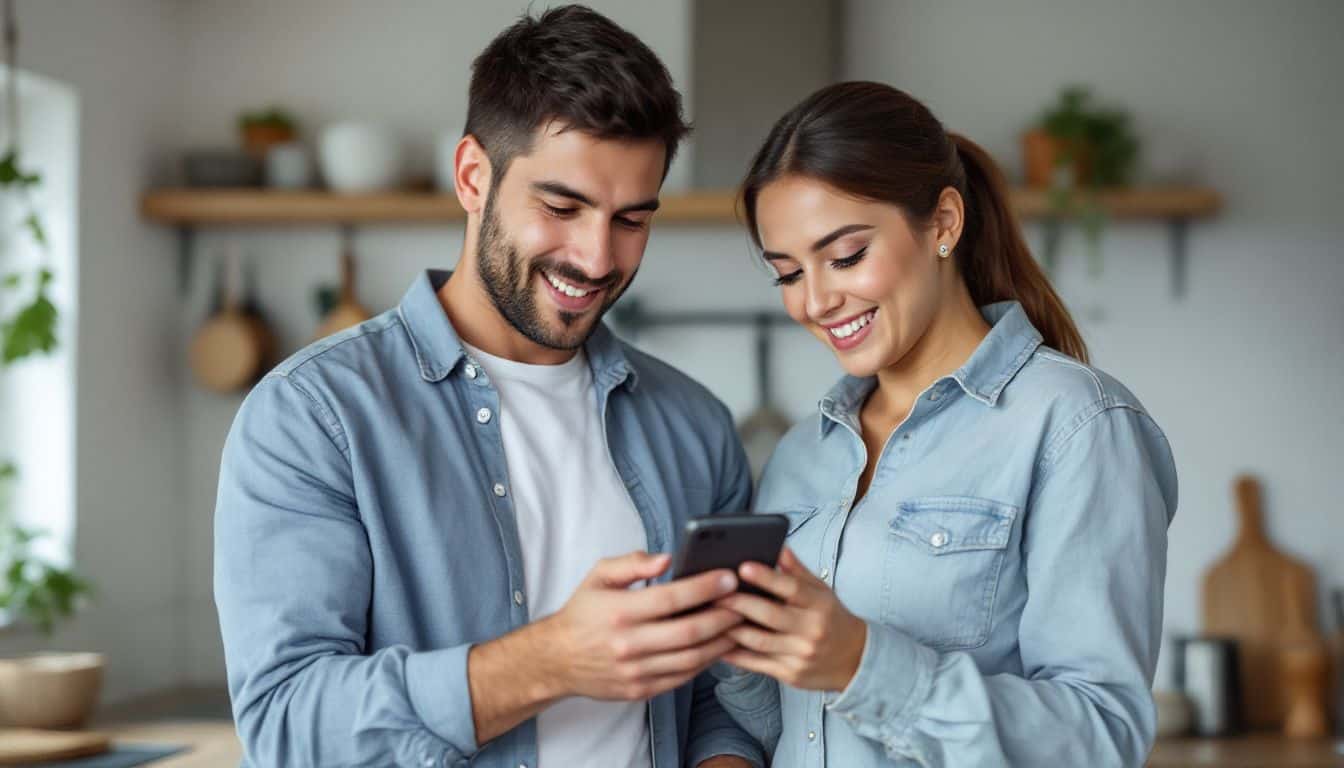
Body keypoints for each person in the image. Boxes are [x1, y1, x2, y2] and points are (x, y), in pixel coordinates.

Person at [214, 6, 763, 767]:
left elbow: (719, 693)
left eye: (632, 218)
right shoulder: (315, 415)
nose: (598, 257)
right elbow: (286, 723)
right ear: (474, 176)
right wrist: (551, 660)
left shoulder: (694, 426)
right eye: (562, 207)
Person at [711, 81, 1178, 767]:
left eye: (845, 256)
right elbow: (782, 728)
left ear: (944, 223)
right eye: (786, 273)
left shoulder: (1076, 425)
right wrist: (731, 650)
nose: (815, 300)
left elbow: (1102, 735)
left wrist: (862, 664)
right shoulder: (799, 455)